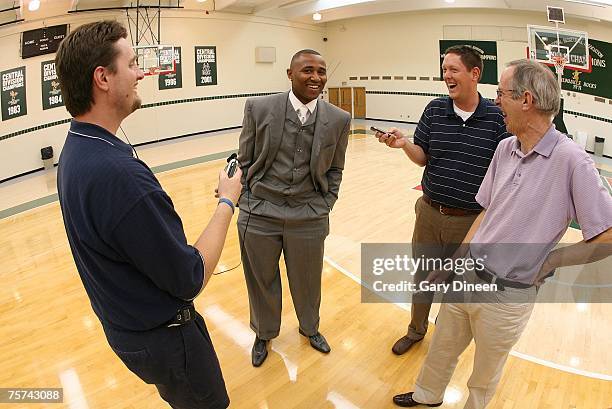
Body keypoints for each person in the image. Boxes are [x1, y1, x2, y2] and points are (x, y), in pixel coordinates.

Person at [392, 59, 612, 408]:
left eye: (501, 94)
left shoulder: (572, 161)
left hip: (509, 294)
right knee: (442, 346)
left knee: (485, 372)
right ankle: (426, 395)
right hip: (467, 277)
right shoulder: (504, 148)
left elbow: (607, 235)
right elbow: (487, 210)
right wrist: (456, 262)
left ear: (526, 100)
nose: (496, 102)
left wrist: (552, 260)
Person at [55, 21, 241, 409]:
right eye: (133, 63)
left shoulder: (76, 149)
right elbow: (189, 277)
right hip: (166, 340)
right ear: (103, 78)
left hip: (127, 331)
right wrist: (227, 200)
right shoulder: (120, 177)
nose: (141, 73)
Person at [375, 45, 510, 355]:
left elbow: (505, 170)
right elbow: (423, 158)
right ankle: (415, 330)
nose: (446, 75)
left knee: (456, 284)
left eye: (453, 69)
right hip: (429, 213)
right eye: (444, 69)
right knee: (423, 275)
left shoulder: (496, 119)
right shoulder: (435, 110)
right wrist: (404, 144)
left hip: (469, 221)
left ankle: (446, 338)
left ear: (475, 74)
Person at [236, 49, 351, 367]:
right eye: (307, 70)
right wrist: (246, 201)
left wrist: (326, 203)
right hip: (259, 212)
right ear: (289, 73)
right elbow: (244, 159)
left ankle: (310, 328)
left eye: (321, 71)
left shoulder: (339, 119)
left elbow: (336, 169)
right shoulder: (259, 108)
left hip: (309, 215)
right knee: (260, 279)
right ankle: (264, 332)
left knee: (308, 279)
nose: (316, 77)